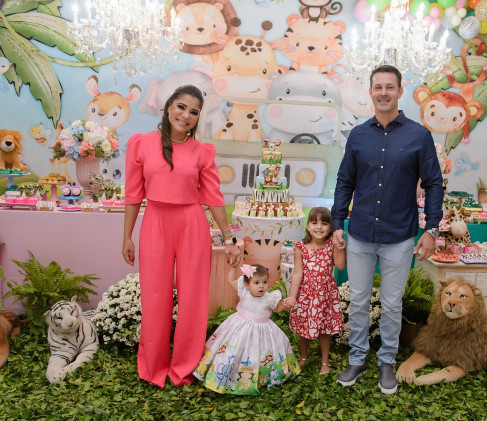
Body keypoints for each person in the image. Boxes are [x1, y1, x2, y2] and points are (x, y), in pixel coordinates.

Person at [331, 65, 443, 394]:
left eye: (389, 87)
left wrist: (431, 229)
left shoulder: (419, 136)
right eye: (378, 87)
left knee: (393, 305)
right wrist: (337, 222)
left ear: (399, 91)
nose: (383, 92)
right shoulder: (358, 135)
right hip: (360, 234)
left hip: (399, 236)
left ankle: (387, 361)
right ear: (370, 92)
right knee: (359, 301)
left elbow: (434, 183)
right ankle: (357, 358)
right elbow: (345, 181)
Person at [122, 85, 241, 388]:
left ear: (198, 118)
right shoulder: (140, 144)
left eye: (194, 112)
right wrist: (127, 237)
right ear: (168, 107)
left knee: (193, 300)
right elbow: (133, 195)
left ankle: (184, 367)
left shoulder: (203, 151)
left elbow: (214, 198)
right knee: (155, 297)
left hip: (192, 224)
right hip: (155, 223)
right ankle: (154, 366)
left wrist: (229, 238)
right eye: (181, 107)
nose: (186, 115)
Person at [194, 264, 300, 395]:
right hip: (241, 329)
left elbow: (277, 308)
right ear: (246, 284)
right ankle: (229, 375)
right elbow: (230, 281)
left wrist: (284, 305)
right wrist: (233, 267)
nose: (261, 286)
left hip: (262, 331)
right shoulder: (244, 292)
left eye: (264, 282)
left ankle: (263, 376)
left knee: (263, 353)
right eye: (256, 283)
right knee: (234, 350)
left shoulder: (269, 297)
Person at [287, 207, 346, 375]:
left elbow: (340, 265)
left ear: (330, 227)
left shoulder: (331, 245)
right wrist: (292, 296)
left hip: (325, 295)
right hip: (305, 295)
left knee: (324, 330)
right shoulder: (301, 247)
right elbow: (297, 273)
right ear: (308, 226)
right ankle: (303, 357)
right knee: (303, 327)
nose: (319, 227)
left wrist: (340, 248)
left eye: (324, 223)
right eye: (314, 223)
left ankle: (325, 362)